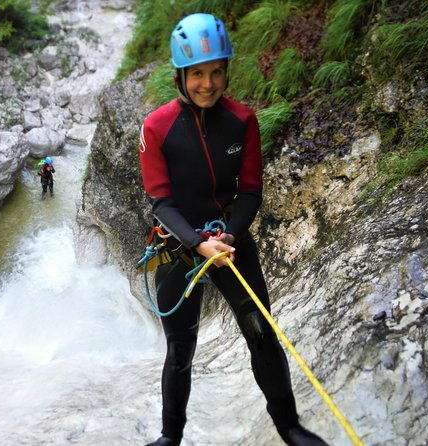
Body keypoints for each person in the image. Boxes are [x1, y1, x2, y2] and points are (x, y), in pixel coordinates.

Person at [138, 13, 328, 446]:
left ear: (226, 71)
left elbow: (250, 193)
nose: (208, 83)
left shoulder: (242, 121)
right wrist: (196, 242)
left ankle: (290, 428)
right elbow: (161, 202)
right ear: (181, 75)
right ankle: (171, 437)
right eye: (198, 73)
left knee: (261, 333)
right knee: (180, 349)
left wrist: (228, 237)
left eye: (217, 71)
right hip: (178, 247)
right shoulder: (157, 127)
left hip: (228, 240)